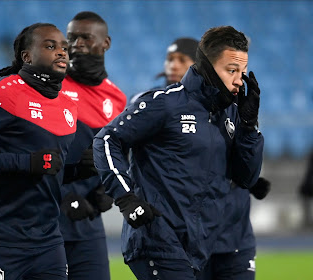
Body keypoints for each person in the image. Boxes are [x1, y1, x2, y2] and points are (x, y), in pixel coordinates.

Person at [93, 26, 264, 279]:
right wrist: (126, 197)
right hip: (157, 239)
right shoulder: (164, 102)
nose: (239, 80)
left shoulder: (230, 114)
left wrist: (249, 127)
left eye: (241, 71)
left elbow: (246, 177)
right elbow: (106, 140)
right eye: (231, 71)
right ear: (207, 66)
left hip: (199, 245)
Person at [0, 23, 82, 280]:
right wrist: (26, 163)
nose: (61, 52)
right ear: (27, 56)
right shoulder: (6, 91)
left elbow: (50, 169)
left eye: (64, 47)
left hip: (47, 239)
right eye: (50, 46)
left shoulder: (68, 105)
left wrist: (79, 169)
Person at [149, 36, 272, 280]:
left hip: (233, 234)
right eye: (170, 59)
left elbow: (242, 162)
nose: (173, 65)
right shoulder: (156, 105)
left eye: (181, 59)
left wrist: (248, 176)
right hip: (187, 236)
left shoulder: (234, 106)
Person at [58, 11, 127, 280]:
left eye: (85, 38)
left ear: (106, 43)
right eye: (71, 38)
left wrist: (108, 191)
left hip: (88, 224)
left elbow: (117, 155)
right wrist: (62, 196)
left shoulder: (118, 99)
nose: (76, 45)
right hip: (47, 219)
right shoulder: (53, 87)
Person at [299, 151, 313, 229]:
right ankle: (307, 220)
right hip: (308, 184)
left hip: (309, 183)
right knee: (304, 194)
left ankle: (307, 221)